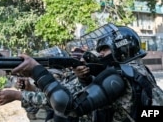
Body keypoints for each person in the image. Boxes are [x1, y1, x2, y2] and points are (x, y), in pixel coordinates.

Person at [11, 23, 156, 122]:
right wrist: (85, 80)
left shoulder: (117, 76)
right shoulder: (137, 69)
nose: (100, 54)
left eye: (104, 49)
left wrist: (37, 72)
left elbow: (69, 106)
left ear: (121, 48)